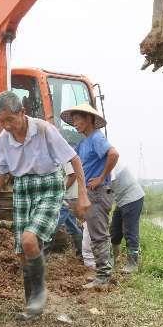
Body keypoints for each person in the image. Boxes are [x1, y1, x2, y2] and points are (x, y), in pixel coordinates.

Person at [0, 91, 90, 320]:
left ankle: (40, 291)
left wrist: (82, 194)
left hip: (49, 185)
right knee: (22, 252)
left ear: (22, 113)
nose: (6, 126)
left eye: (10, 120)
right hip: (22, 188)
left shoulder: (44, 130)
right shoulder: (4, 139)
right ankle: (31, 305)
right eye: (1, 121)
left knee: (29, 239)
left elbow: (73, 159)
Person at [61, 103, 119, 289]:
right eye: (74, 120)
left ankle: (103, 277)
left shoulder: (96, 138)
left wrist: (101, 177)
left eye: (78, 119)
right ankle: (105, 272)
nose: (75, 124)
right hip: (90, 193)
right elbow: (70, 157)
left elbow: (114, 154)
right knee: (96, 234)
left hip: (98, 192)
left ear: (89, 119)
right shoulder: (83, 142)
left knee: (99, 235)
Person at [109, 160, 145, 274]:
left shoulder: (110, 162)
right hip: (121, 200)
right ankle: (115, 261)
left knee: (130, 231)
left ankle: (132, 264)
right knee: (114, 232)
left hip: (132, 198)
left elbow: (106, 184)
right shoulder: (101, 164)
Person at [45, 161, 83, 257]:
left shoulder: (65, 159)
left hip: (66, 198)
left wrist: (61, 191)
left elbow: (73, 175)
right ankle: (81, 253)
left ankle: (43, 255)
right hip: (69, 198)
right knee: (73, 227)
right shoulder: (61, 161)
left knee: (53, 225)